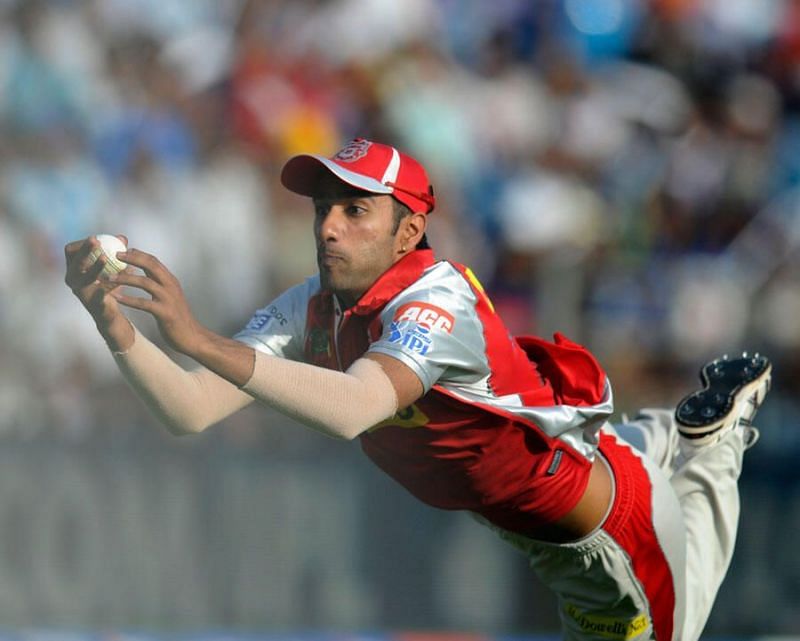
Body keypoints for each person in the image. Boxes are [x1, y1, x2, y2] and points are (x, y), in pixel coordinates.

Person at [64, 138, 771, 641]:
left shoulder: (434, 299)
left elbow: (353, 409)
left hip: (603, 541)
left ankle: (713, 442)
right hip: (554, 479)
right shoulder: (315, 303)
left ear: (409, 231)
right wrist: (114, 324)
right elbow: (191, 409)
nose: (329, 227)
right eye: (324, 209)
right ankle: (675, 436)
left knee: (685, 603)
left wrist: (196, 338)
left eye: (355, 210)